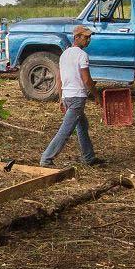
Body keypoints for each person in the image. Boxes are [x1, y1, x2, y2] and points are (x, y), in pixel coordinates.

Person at [39, 26, 104, 167]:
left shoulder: (64, 54)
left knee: (82, 126)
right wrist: (97, 96)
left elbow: (59, 78)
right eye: (86, 37)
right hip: (77, 98)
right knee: (66, 130)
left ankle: (89, 157)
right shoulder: (81, 55)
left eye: (89, 37)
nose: (88, 40)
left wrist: (61, 98)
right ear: (76, 37)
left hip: (68, 96)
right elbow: (87, 80)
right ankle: (46, 158)